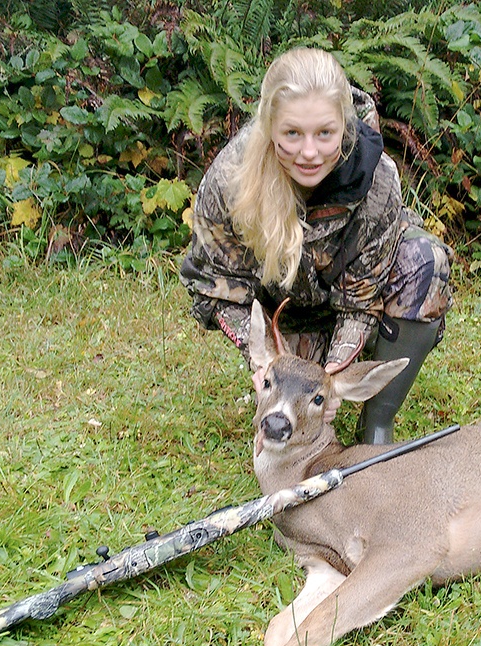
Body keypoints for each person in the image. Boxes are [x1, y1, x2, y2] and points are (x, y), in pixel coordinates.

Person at [180, 47, 452, 444]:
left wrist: (335, 372)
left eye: (325, 133)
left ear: (344, 123)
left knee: (425, 261)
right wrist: (263, 356)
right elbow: (211, 289)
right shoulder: (231, 180)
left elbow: (361, 302)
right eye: (292, 133)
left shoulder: (375, 179)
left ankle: (376, 424)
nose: (309, 153)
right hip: (281, 323)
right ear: (270, 125)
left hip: (348, 313)